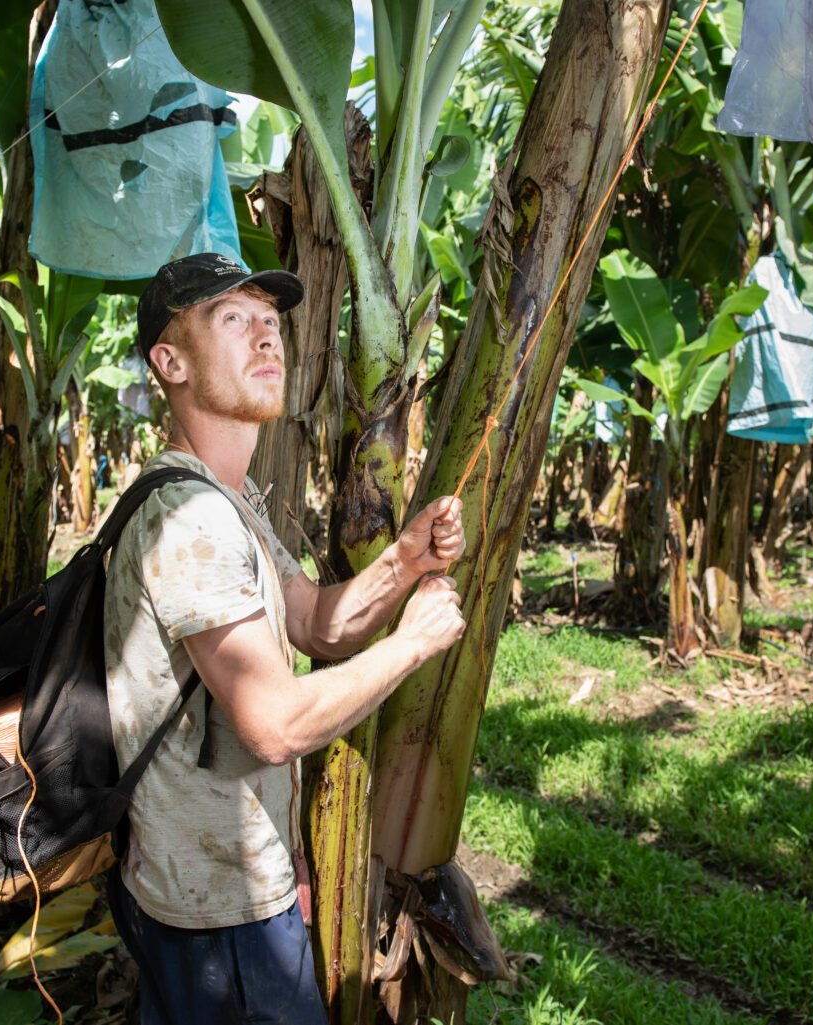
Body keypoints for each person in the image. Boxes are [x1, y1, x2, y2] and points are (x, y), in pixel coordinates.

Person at [103, 252, 467, 1025]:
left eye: (271, 322)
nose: (268, 338)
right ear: (168, 361)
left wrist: (405, 559)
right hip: (217, 916)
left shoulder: (229, 501)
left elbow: (313, 621)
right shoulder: (192, 520)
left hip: (213, 893)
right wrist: (415, 642)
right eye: (233, 319)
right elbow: (272, 725)